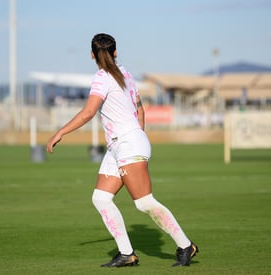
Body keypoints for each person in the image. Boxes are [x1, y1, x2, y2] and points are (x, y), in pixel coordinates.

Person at [46, 33, 198, 268]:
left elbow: (88, 113)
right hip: (121, 144)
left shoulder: (101, 77)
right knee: (101, 198)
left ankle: (186, 245)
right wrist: (139, 135)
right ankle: (127, 254)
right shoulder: (126, 74)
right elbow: (140, 110)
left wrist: (60, 132)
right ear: (115, 52)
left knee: (144, 202)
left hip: (128, 143)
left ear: (92, 55)